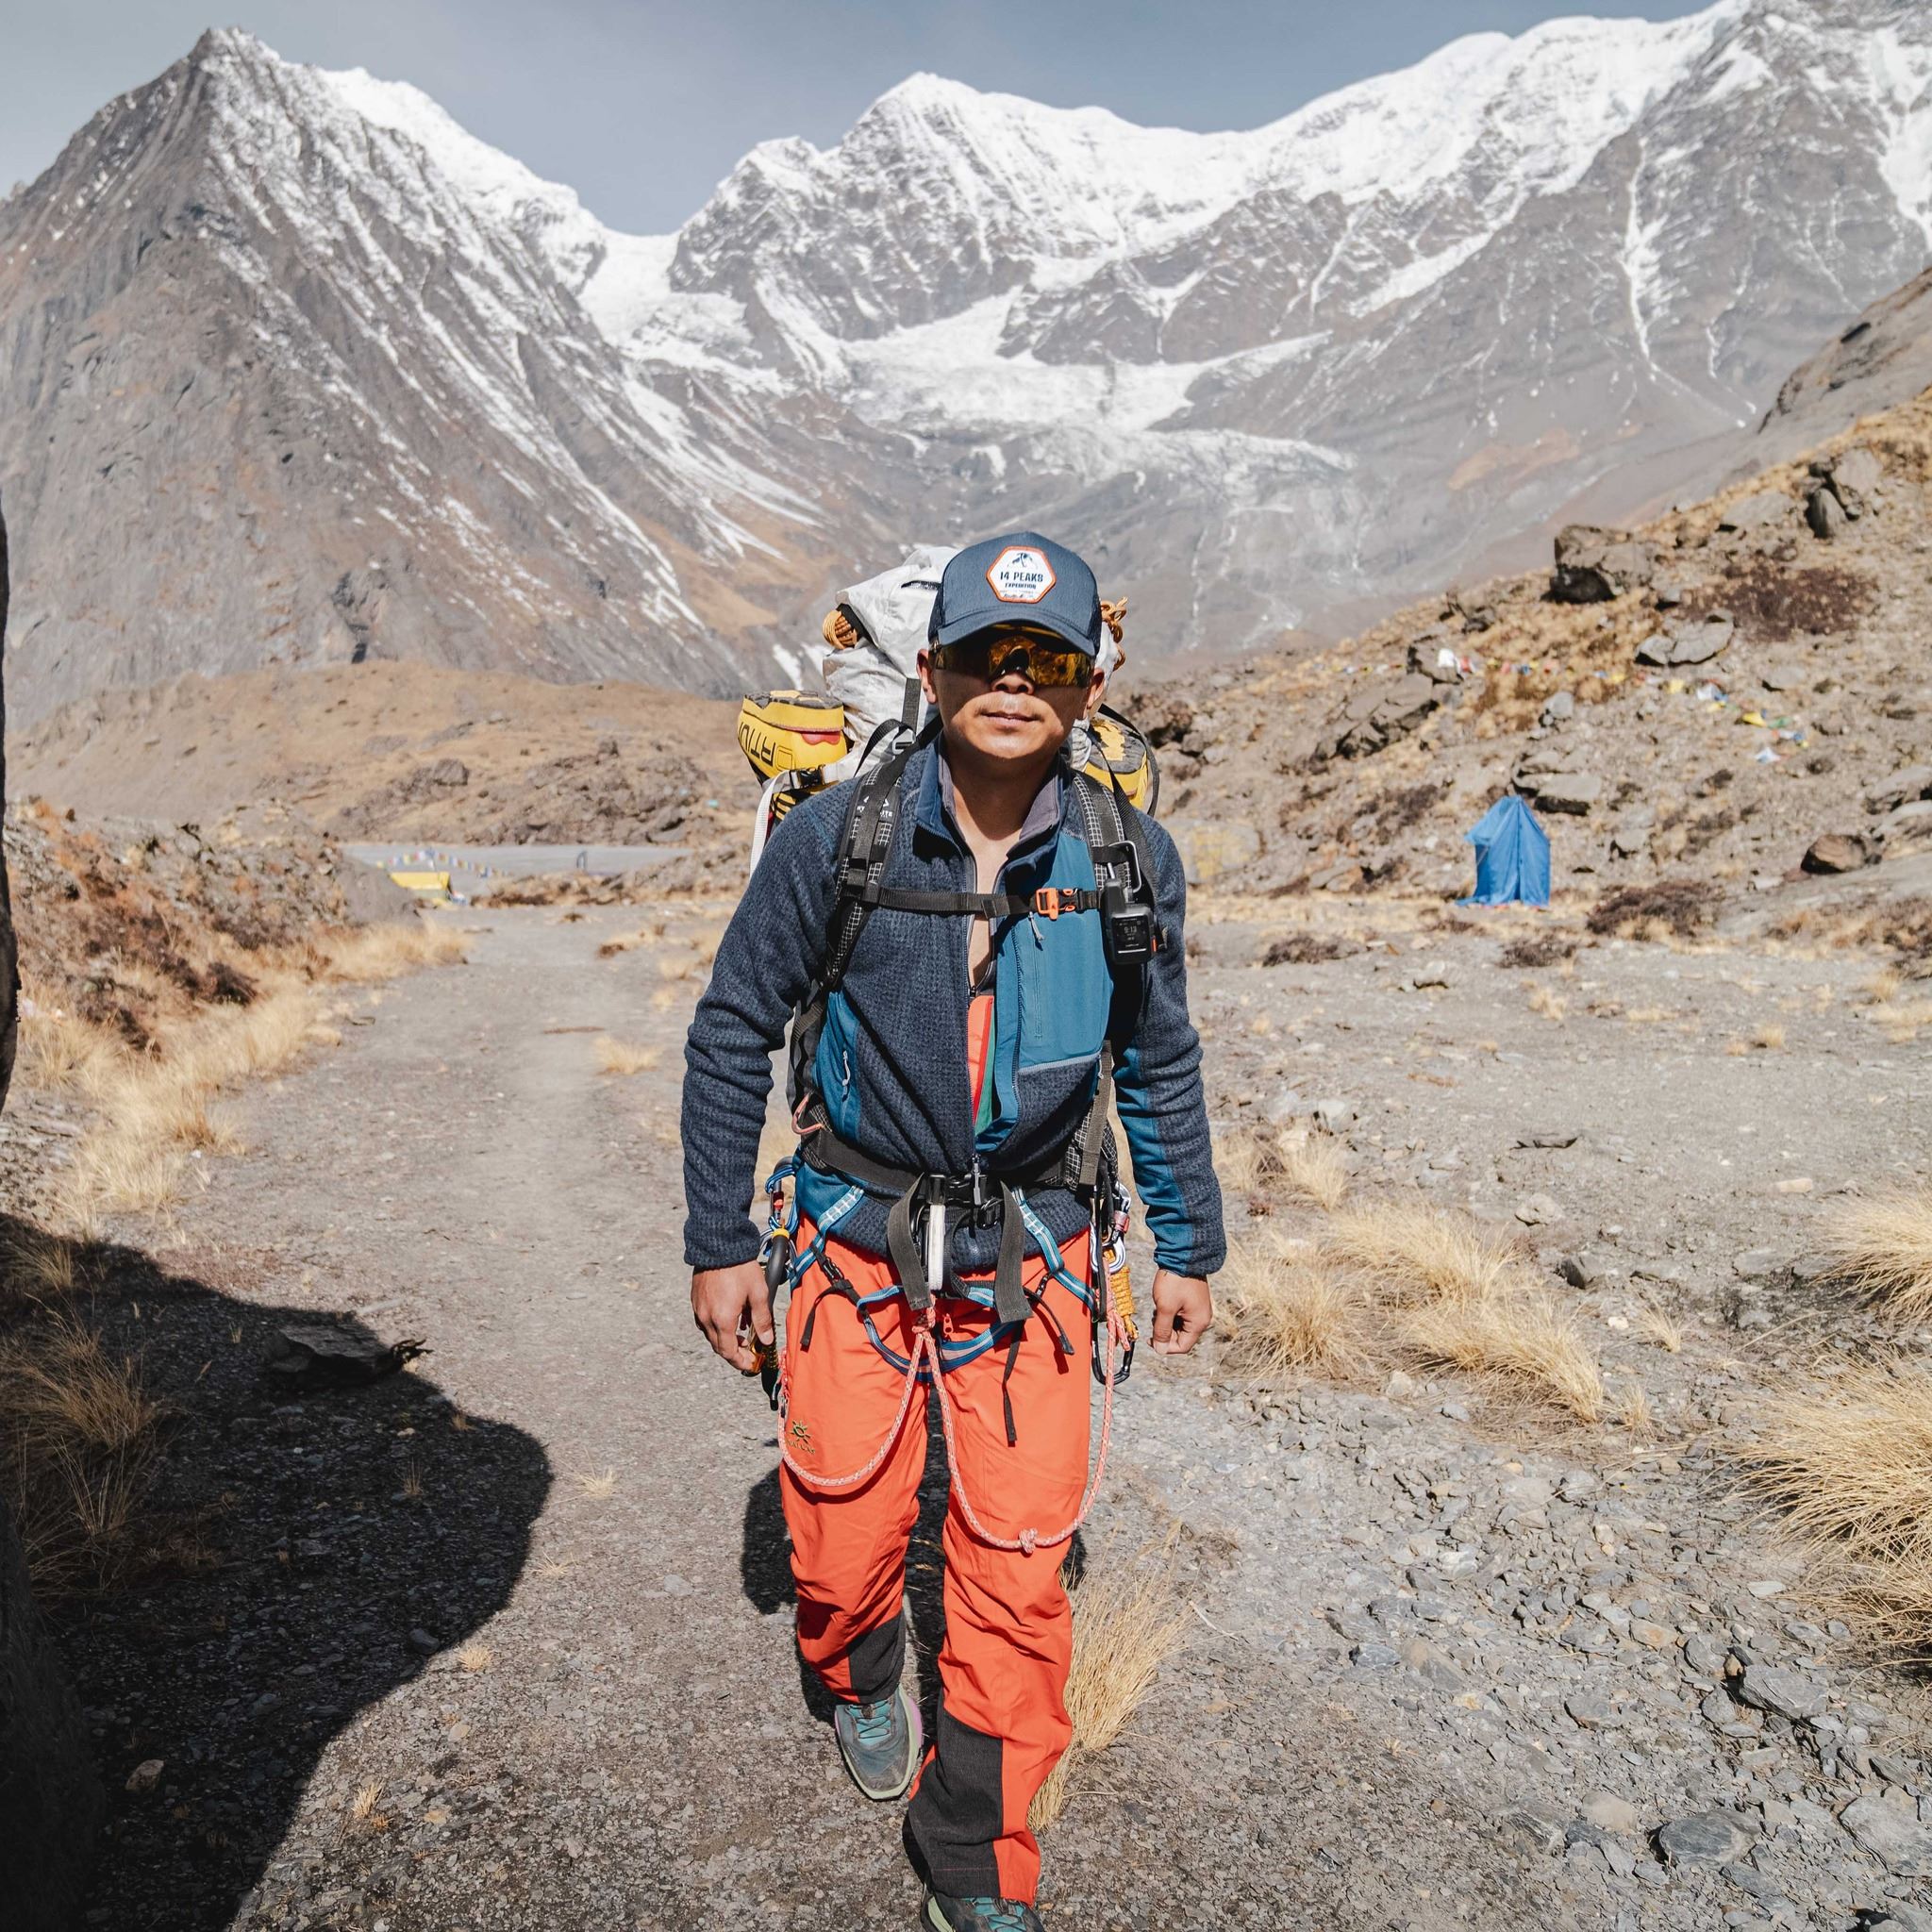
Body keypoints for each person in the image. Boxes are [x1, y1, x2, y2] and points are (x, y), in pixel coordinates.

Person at [682, 531, 1224, 1931]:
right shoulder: (838, 839)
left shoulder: (1128, 855)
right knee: (843, 1533)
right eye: (987, 651)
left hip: (1037, 1259)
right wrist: (717, 1239)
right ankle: (858, 1665)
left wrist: (1191, 1243)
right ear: (932, 671)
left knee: (1016, 1561)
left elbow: (1157, 1063)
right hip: (853, 1244)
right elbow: (735, 1028)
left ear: (1087, 686)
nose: (1012, 679)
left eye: (1044, 660)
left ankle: (978, 1857)